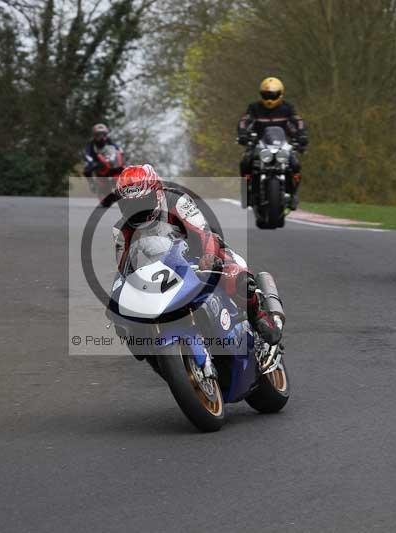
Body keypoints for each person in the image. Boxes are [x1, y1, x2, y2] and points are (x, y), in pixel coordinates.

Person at [112, 164, 284, 346]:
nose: (136, 210)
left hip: (199, 254)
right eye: (128, 204)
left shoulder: (176, 201)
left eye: (141, 202)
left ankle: (260, 316)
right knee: (124, 318)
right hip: (162, 271)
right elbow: (123, 268)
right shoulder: (121, 230)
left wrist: (209, 256)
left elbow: (204, 233)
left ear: (157, 193)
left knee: (237, 277)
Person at [237, 77, 309, 211]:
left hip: (282, 145)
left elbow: (298, 121)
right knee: (245, 162)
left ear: (280, 94)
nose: (270, 98)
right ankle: (246, 192)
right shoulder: (254, 107)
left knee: (295, 165)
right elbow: (244, 120)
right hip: (259, 144)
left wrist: (302, 136)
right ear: (261, 94)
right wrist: (243, 134)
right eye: (266, 95)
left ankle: (293, 194)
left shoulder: (287, 108)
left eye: (273, 95)